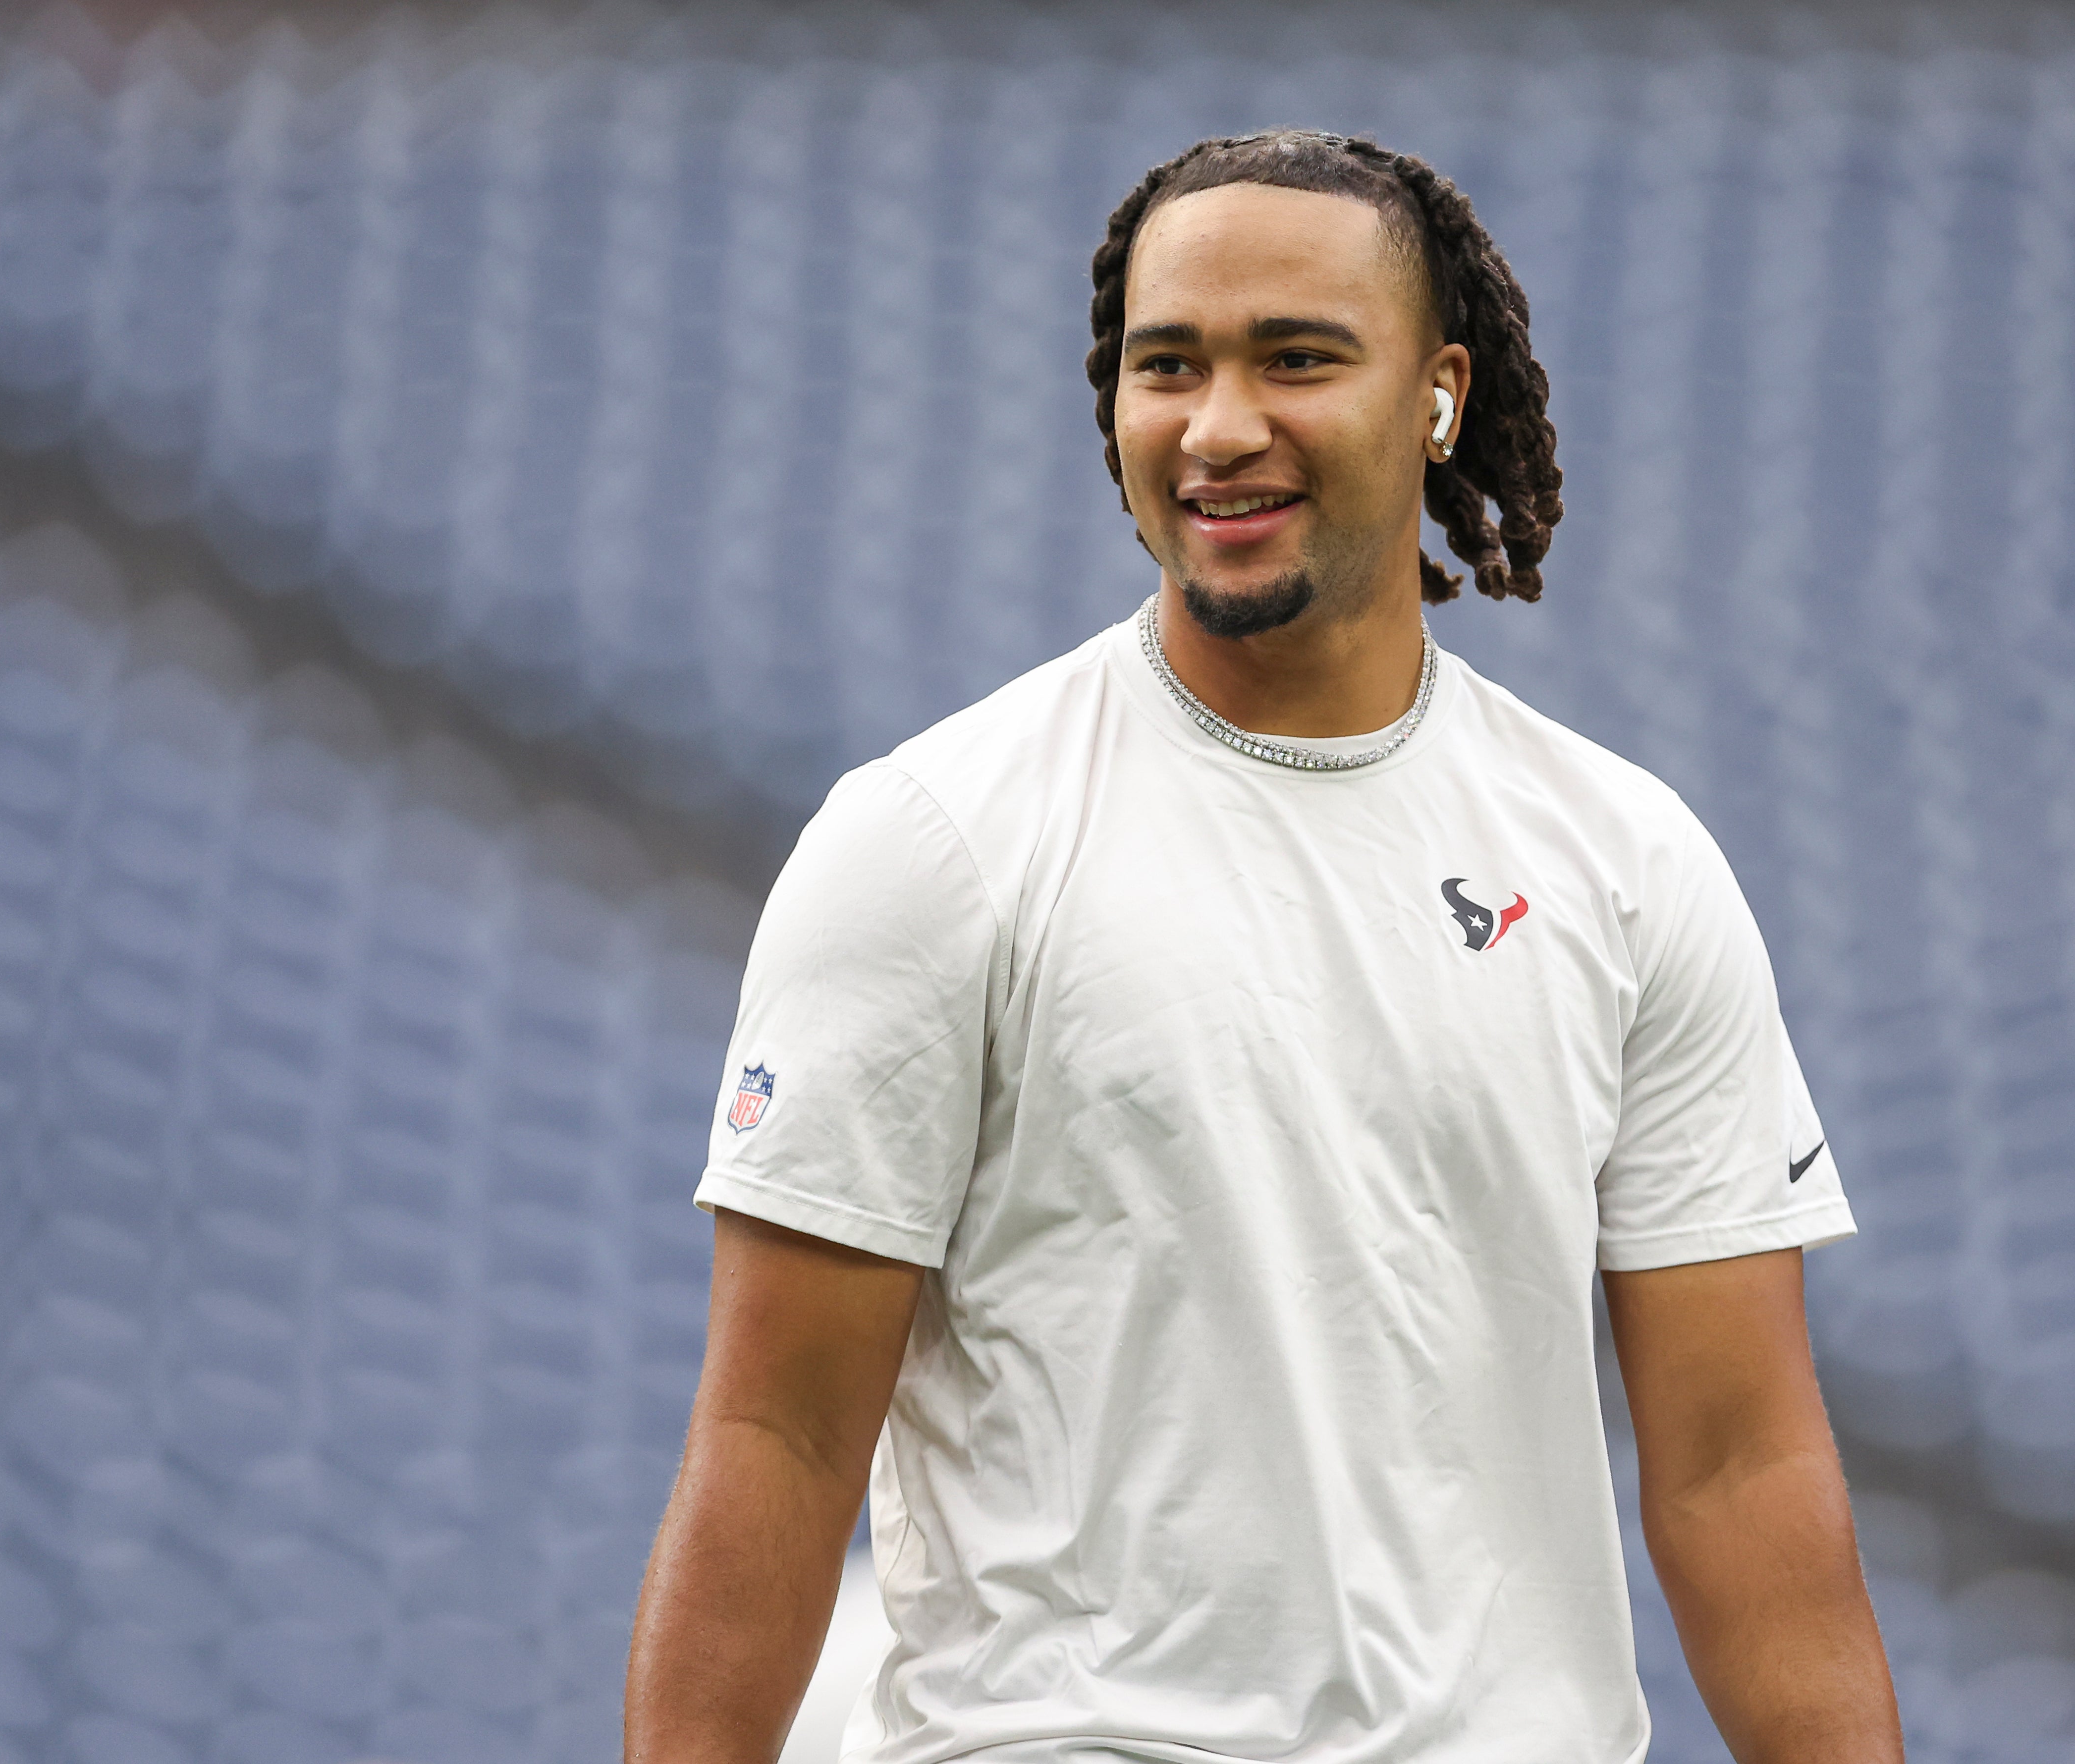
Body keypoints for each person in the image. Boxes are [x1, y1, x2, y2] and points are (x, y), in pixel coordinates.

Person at [625, 129, 1903, 1764]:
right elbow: (777, 1436)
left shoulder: (1624, 864)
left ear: (1436, 396)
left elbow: (1738, 1464)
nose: (1218, 429)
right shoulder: (932, 842)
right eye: (1168, 367)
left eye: (1296, 359)